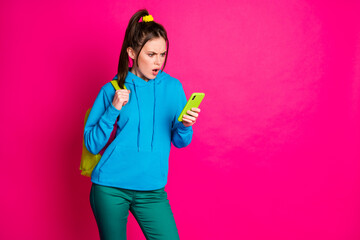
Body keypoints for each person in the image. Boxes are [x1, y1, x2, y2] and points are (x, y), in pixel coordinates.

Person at [84, 9, 201, 240]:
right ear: (132, 52)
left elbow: (181, 142)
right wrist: (113, 110)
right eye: (151, 54)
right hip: (110, 188)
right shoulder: (113, 89)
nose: (158, 61)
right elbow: (91, 144)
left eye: (162, 54)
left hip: (152, 191)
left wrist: (185, 126)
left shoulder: (173, 88)